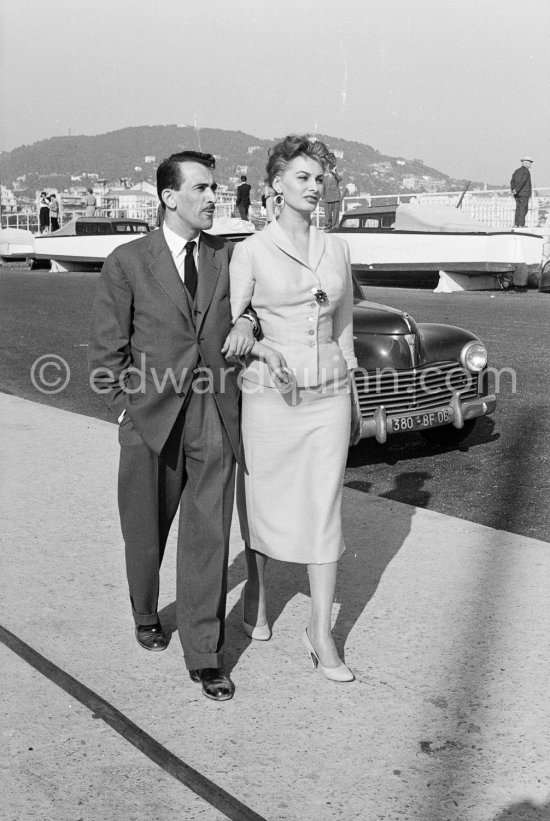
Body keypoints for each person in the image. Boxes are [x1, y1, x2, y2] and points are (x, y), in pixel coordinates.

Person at [88, 150, 257, 702]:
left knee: (209, 534)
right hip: (150, 417)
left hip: (213, 412)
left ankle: (206, 655)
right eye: (203, 189)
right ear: (169, 197)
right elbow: (107, 349)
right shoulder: (127, 261)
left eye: (216, 188)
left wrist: (250, 321)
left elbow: (261, 303)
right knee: (145, 529)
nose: (215, 198)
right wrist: (125, 409)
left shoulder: (227, 256)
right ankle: (145, 610)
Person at [228, 135, 358, 683]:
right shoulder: (251, 250)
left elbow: (345, 324)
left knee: (324, 504)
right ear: (276, 185)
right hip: (269, 396)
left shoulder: (338, 248)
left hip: (327, 393)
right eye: (301, 177)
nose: (313, 187)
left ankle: (320, 632)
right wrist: (257, 343)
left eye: (318, 178)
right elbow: (232, 328)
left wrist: (353, 398)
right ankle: (258, 591)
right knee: (265, 497)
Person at [510, 156, 533, 228]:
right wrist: (517, 189)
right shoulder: (526, 171)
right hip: (524, 193)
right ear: (526, 163)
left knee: (518, 208)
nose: (531, 165)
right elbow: (523, 182)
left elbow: (512, 181)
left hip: (517, 194)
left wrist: (513, 190)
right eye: (530, 163)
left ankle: (516, 224)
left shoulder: (516, 171)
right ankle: (521, 225)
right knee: (523, 209)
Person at [322, 153, 342, 231]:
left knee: (335, 214)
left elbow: (339, 179)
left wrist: (334, 172)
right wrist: (323, 195)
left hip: (336, 196)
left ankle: (335, 227)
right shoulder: (324, 172)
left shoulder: (334, 169)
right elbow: (323, 184)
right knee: (328, 214)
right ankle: (328, 226)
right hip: (327, 197)